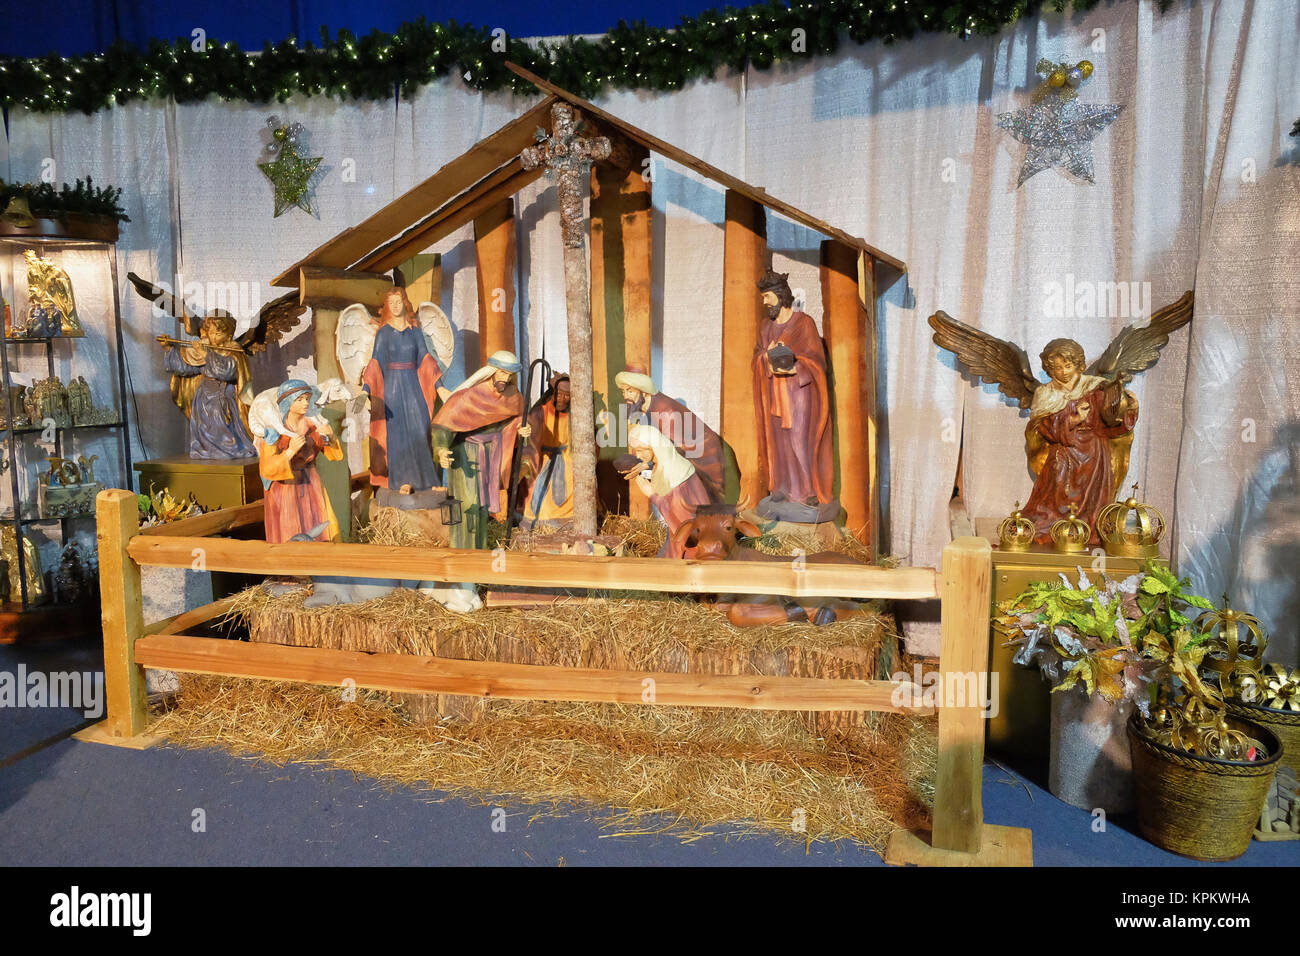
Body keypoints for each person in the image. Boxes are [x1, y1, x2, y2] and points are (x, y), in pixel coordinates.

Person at [1020, 338, 1138, 545]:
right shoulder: (1045, 393)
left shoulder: (1094, 386)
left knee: (1093, 497)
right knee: (1056, 483)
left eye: (1068, 366)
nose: (1063, 371)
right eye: (1057, 367)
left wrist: (1129, 406)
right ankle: (1056, 527)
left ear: (1079, 365)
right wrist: (1073, 419)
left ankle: (1085, 529)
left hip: (1094, 452)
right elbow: (1040, 428)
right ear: (1049, 368)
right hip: (1064, 450)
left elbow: (1112, 419)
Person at [752, 269, 834, 514]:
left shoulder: (804, 323)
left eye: (767, 296)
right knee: (779, 442)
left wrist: (797, 367)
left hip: (799, 395)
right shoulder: (765, 327)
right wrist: (767, 355)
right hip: (774, 394)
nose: (764, 302)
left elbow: (818, 362)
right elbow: (756, 358)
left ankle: (808, 491)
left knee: (800, 441)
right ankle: (782, 487)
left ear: (779, 295)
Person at [431, 351, 529, 550]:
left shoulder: (513, 396)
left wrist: (522, 430)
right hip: (466, 455)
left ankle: (480, 553)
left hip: (493, 454)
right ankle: (463, 555)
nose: (506, 379)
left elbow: (515, 423)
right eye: (502, 373)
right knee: (468, 505)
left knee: (483, 507)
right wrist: (441, 449)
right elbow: (443, 424)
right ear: (491, 371)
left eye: (510, 375)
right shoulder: (470, 396)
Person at [361, 286, 444, 492]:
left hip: (413, 385)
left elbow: (427, 360)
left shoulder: (415, 332)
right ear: (387, 306)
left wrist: (441, 387)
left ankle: (428, 482)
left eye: (399, 301)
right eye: (392, 303)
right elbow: (375, 363)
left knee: (420, 428)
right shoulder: (384, 334)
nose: (396, 306)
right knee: (396, 435)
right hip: (392, 389)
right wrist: (364, 391)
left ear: (405, 303)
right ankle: (402, 481)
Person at [614, 366, 726, 503]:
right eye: (623, 391)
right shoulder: (644, 409)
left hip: (703, 463)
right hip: (682, 462)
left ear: (644, 392)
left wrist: (647, 464)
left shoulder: (667, 413)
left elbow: (676, 451)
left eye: (630, 391)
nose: (625, 396)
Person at [158, 313, 257, 460]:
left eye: (218, 333)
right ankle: (206, 448)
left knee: (220, 421)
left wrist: (206, 354)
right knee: (202, 423)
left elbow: (226, 372)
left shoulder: (234, 351)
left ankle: (228, 449)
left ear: (228, 334)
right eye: (211, 332)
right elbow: (187, 367)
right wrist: (169, 349)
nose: (213, 336)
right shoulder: (206, 348)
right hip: (203, 394)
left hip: (223, 394)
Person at [257, 380, 344, 544]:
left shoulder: (312, 426)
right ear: (288, 402)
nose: (305, 403)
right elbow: (267, 468)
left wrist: (329, 437)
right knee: (290, 529)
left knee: (321, 524)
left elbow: (335, 455)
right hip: (285, 488)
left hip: (311, 483)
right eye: (300, 399)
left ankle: (320, 564)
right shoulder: (274, 431)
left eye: (307, 398)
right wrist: (290, 452)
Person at [622, 422, 711, 559]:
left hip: (693, 551)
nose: (637, 455)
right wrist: (646, 465)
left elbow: (686, 532)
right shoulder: (672, 463)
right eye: (635, 451)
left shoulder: (675, 479)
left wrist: (652, 495)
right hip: (676, 538)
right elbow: (662, 460)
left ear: (654, 447)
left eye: (640, 450)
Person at [521, 373, 573, 530]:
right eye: (559, 394)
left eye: (567, 395)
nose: (562, 399)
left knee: (571, 480)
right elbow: (530, 434)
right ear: (552, 393)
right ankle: (539, 522)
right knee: (539, 484)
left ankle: (567, 520)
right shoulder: (540, 412)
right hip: (543, 457)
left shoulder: (575, 416)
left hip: (565, 458)